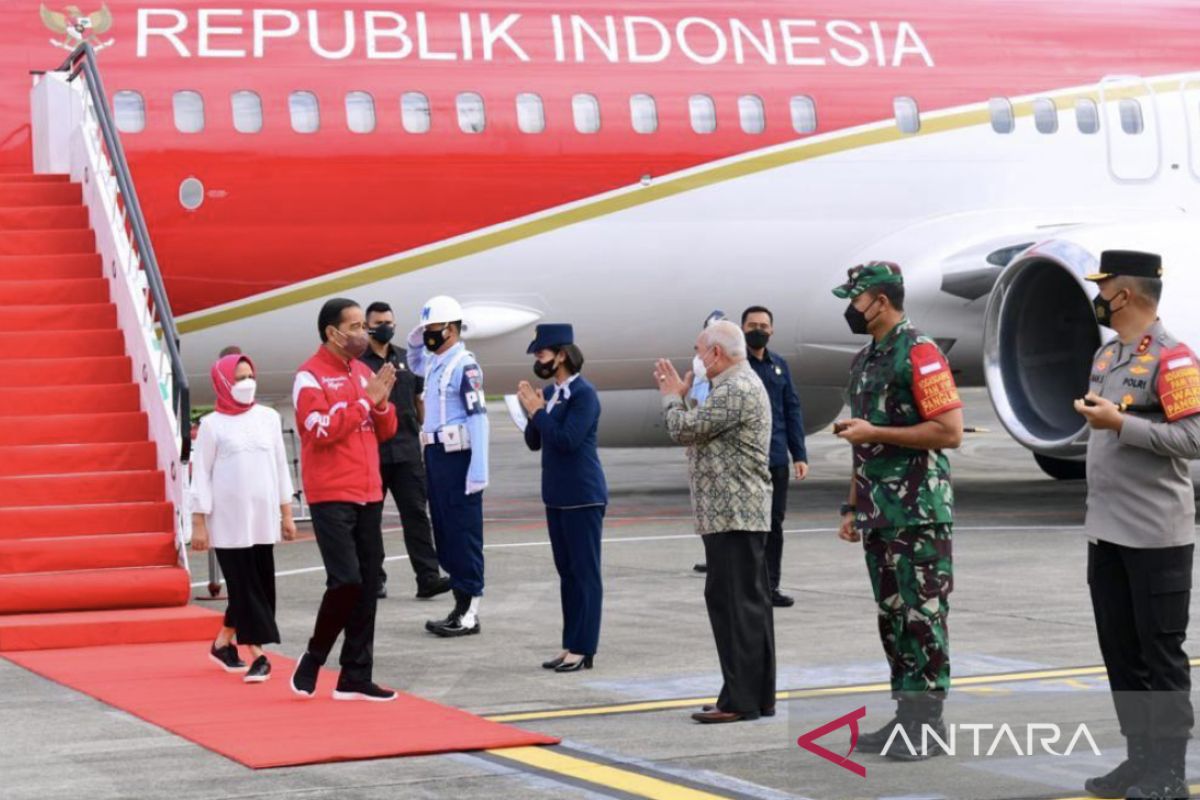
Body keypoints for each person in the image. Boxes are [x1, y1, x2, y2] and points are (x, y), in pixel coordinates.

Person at [1073, 250, 1200, 800]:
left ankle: (1169, 770)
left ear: (1123, 295)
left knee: (1160, 656)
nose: (1099, 298)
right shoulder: (1108, 355)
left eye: (1103, 288)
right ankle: (1138, 759)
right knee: (1121, 653)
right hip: (1107, 531)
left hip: (1155, 537)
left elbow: (1194, 440)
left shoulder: (1173, 359)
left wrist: (1120, 422)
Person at [831, 262, 964, 761]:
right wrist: (851, 504)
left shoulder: (921, 353)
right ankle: (907, 718)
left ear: (880, 302)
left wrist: (876, 433)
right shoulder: (865, 360)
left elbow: (948, 430)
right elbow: (861, 442)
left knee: (923, 617)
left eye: (856, 299)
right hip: (879, 512)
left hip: (919, 511)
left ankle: (928, 725)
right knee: (893, 619)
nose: (851, 308)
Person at [654, 320, 775, 724]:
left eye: (699, 349)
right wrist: (684, 399)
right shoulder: (733, 385)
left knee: (736, 607)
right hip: (730, 515)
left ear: (716, 354)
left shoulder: (737, 387)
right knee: (741, 605)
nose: (697, 358)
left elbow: (684, 430)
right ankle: (748, 695)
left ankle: (742, 700)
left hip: (734, 515)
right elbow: (704, 433)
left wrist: (672, 398)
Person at [289, 298, 399, 702]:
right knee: (346, 580)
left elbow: (386, 429)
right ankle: (314, 657)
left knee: (368, 584)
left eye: (362, 326)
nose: (362, 333)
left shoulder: (363, 371)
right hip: (332, 494)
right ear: (331, 332)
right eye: (353, 326)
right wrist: (365, 401)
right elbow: (319, 429)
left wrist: (382, 404)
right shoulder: (309, 376)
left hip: (369, 491)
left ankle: (355, 674)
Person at [190, 354, 296, 683]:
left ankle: (223, 643)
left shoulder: (268, 417)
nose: (246, 383)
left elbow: (280, 465)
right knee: (245, 587)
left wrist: (286, 512)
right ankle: (258, 654)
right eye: (238, 378)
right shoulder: (211, 425)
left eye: (250, 375)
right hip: (228, 522)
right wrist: (199, 523)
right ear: (222, 382)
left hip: (262, 519)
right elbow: (202, 476)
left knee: (259, 587)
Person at [516, 324, 608, 673]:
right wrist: (532, 412)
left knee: (585, 574)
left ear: (562, 355)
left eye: (542, 353)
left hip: (583, 495)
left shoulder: (584, 394)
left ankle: (585, 647)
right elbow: (535, 441)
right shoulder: (551, 393)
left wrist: (539, 412)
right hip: (556, 495)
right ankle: (570, 643)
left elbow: (568, 440)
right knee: (567, 574)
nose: (538, 360)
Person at [406, 295, 490, 637]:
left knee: (463, 532)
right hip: (436, 456)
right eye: (427, 329)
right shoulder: (436, 362)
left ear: (452, 330)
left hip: (459, 458)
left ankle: (469, 611)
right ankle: (458, 603)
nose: (429, 335)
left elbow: (479, 418)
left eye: (435, 329)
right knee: (444, 530)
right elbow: (413, 361)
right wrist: (415, 335)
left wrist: (479, 469)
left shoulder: (464, 366)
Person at [360, 301, 450, 601]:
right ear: (367, 324)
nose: (385, 326)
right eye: (379, 322)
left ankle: (428, 577)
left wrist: (425, 424)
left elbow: (419, 399)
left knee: (416, 515)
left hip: (408, 451)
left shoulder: (407, 359)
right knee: (370, 521)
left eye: (390, 321)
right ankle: (374, 580)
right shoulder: (359, 363)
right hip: (373, 452)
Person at [742, 305, 809, 607]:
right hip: (745, 462)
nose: (758, 330)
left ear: (772, 330)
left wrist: (800, 454)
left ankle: (771, 586)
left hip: (776, 459)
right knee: (747, 528)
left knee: (774, 525)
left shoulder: (779, 365)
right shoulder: (736, 366)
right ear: (742, 328)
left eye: (764, 325)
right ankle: (748, 589)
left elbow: (792, 409)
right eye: (752, 325)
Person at [690, 309, 726, 575]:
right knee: (705, 506)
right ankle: (713, 555)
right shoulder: (699, 366)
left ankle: (721, 556)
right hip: (702, 443)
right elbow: (694, 403)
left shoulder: (732, 371)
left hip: (722, 447)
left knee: (722, 505)